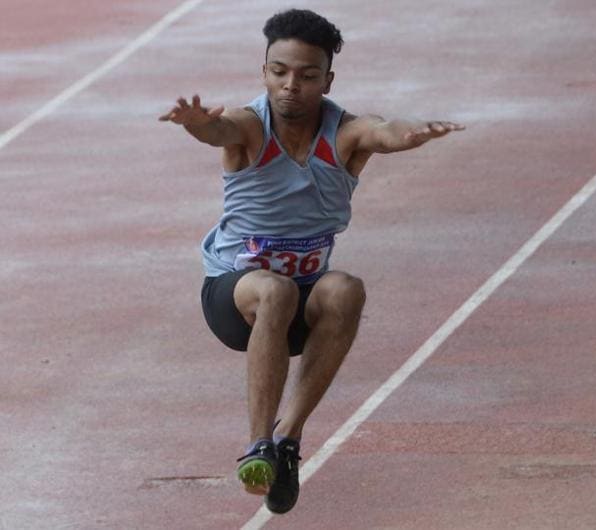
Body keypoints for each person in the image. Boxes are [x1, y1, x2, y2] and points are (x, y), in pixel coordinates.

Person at [160, 8, 464, 514]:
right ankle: (257, 445)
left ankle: (287, 441)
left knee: (345, 287)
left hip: (303, 309)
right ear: (264, 72)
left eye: (305, 75)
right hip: (235, 299)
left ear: (327, 79)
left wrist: (414, 132)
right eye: (279, 72)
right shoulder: (247, 127)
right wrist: (195, 126)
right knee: (274, 290)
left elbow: (385, 130)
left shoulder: (344, 134)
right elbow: (218, 133)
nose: (290, 86)